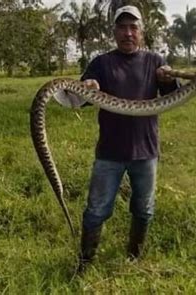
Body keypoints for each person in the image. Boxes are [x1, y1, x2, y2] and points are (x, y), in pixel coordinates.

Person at [75, 5, 179, 272]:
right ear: (114, 32)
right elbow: (78, 98)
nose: (128, 33)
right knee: (96, 210)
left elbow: (170, 93)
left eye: (133, 27)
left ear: (141, 32)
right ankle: (85, 261)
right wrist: (88, 89)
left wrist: (166, 80)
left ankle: (134, 256)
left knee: (144, 209)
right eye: (122, 27)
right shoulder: (101, 63)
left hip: (146, 152)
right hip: (109, 153)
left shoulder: (155, 61)